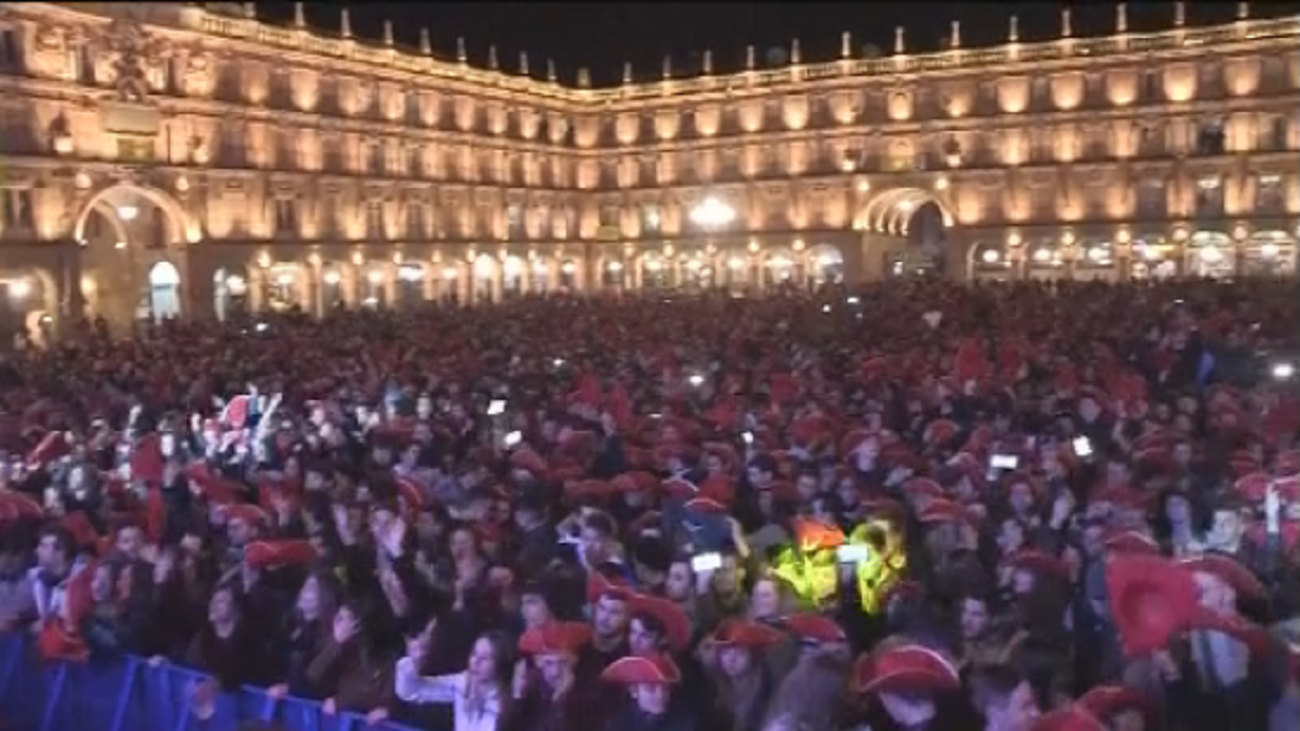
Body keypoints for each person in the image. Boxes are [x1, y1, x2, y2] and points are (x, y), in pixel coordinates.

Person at [395, 630, 514, 731]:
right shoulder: (461, 682)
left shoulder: (507, 702)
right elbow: (413, 692)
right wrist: (413, 663)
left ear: (500, 663)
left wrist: (476, 707)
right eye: (474, 654)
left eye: (485, 658)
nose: (475, 662)